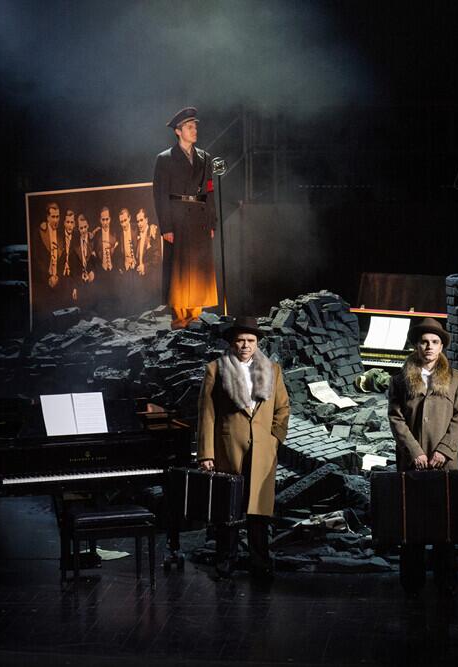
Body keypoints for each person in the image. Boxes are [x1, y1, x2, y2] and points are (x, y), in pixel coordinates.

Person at [197, 316, 290, 580]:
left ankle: (260, 563)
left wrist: (274, 439)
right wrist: (206, 453)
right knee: (229, 509)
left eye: (250, 340)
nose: (245, 345)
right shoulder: (216, 369)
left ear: (257, 343)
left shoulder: (272, 370)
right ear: (232, 343)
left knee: (259, 510)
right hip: (228, 449)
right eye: (240, 340)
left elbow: (283, 408)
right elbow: (206, 414)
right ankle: (226, 561)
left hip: (263, 451)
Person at [387, 318, 458, 596]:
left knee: (444, 523)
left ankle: (446, 582)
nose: (429, 347)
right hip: (413, 462)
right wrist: (415, 452)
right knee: (412, 524)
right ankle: (412, 583)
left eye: (435, 342)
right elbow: (396, 418)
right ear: (416, 346)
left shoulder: (456, 379)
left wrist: (444, 450)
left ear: (442, 346)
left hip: (444, 462)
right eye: (424, 342)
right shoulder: (400, 380)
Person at [152, 106, 218, 329]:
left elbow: (209, 191)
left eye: (195, 126)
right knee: (179, 270)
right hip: (178, 219)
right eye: (189, 127)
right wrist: (166, 227)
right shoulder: (165, 159)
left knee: (198, 268)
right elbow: (160, 195)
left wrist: (212, 222)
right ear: (178, 131)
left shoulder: (205, 158)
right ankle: (180, 320)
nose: (194, 130)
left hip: (199, 219)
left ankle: (196, 317)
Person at [71, 214, 97, 311]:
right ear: (78, 228)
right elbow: (73, 267)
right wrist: (75, 287)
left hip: (92, 282)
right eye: (81, 228)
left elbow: (97, 262)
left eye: (85, 227)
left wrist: (93, 272)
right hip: (80, 283)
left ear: (88, 226)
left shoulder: (93, 241)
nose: (83, 230)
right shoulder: (75, 243)